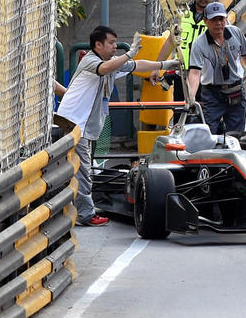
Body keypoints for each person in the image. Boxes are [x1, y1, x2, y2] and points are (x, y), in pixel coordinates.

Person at [55, 26, 180, 226]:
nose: (115, 47)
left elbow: (137, 65)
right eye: (111, 43)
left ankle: (76, 210)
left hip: (83, 125)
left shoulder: (112, 64)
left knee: (80, 169)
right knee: (84, 171)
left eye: (116, 43)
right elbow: (104, 69)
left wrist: (164, 63)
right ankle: (85, 215)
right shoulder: (91, 61)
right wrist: (127, 54)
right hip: (74, 123)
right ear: (98, 45)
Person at [187, 1, 246, 135]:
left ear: (226, 19)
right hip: (212, 95)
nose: (218, 23)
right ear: (206, 21)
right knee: (209, 135)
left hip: (235, 91)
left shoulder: (235, 33)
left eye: (221, 19)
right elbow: (195, 73)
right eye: (214, 20)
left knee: (236, 136)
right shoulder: (199, 44)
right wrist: (191, 98)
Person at [150, 0, 215, 100]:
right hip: (182, 76)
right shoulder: (182, 15)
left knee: (206, 116)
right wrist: (156, 67)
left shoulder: (218, 19)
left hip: (208, 79)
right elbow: (170, 42)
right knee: (181, 114)